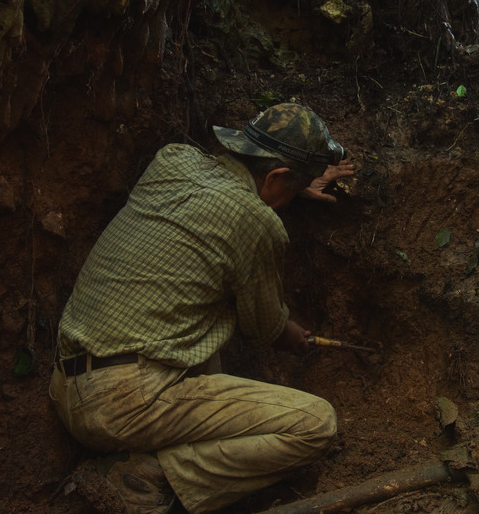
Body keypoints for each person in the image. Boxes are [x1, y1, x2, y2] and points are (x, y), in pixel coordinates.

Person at [49, 103, 354, 514]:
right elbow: (265, 329)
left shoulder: (172, 160)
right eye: (293, 189)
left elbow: (232, 203)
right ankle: (141, 479)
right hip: (127, 403)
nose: (289, 201)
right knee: (315, 425)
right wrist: (293, 332)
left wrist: (294, 186)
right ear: (277, 176)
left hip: (68, 382)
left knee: (205, 307)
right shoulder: (257, 223)